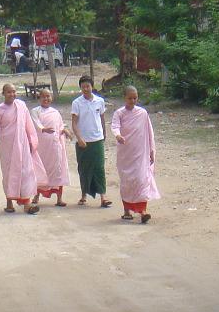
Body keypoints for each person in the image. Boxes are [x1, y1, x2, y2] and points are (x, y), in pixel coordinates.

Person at [0, 83, 46, 214]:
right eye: (9, 92)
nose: (12, 94)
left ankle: (27, 204)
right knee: (9, 174)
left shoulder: (21, 106)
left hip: (23, 145)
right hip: (7, 147)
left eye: (14, 91)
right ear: (3, 93)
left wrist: (32, 141)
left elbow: (29, 124)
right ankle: (9, 203)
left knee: (26, 173)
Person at [110, 84, 160, 223]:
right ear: (124, 98)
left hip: (141, 152)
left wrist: (151, 150)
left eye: (135, 98)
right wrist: (118, 135)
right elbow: (115, 126)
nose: (133, 101)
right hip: (125, 153)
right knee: (127, 181)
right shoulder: (119, 113)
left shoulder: (143, 113)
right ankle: (127, 210)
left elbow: (149, 132)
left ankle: (143, 211)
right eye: (130, 98)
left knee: (142, 179)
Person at [69, 75, 111, 208]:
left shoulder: (100, 101)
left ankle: (103, 197)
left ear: (92, 86)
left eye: (88, 86)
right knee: (84, 168)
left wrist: (104, 133)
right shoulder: (77, 103)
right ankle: (83, 195)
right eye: (83, 87)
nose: (86, 89)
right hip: (83, 141)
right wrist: (79, 138)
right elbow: (74, 123)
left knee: (99, 168)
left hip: (97, 139)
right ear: (80, 88)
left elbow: (102, 118)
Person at [31, 86, 70, 207]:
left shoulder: (55, 112)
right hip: (41, 147)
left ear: (51, 98)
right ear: (39, 98)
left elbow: (60, 126)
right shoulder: (35, 111)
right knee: (41, 170)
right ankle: (36, 196)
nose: (46, 99)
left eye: (48, 96)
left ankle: (59, 198)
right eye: (43, 96)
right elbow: (36, 124)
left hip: (54, 146)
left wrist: (65, 130)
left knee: (58, 170)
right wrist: (43, 129)